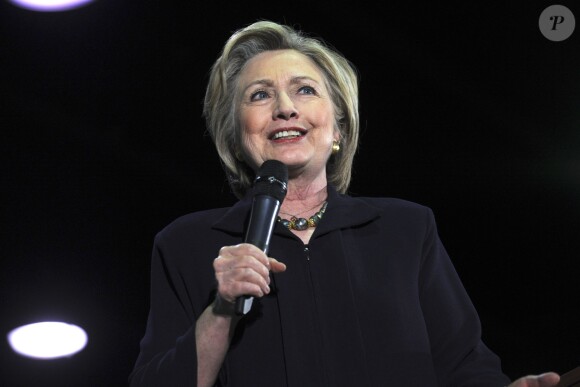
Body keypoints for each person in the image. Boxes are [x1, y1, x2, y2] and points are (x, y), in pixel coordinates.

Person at [129, 20, 560, 386]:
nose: (284, 108)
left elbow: (465, 367)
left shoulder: (406, 229)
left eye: (304, 90)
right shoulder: (186, 244)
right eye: (259, 95)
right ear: (237, 137)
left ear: (337, 129)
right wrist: (222, 309)